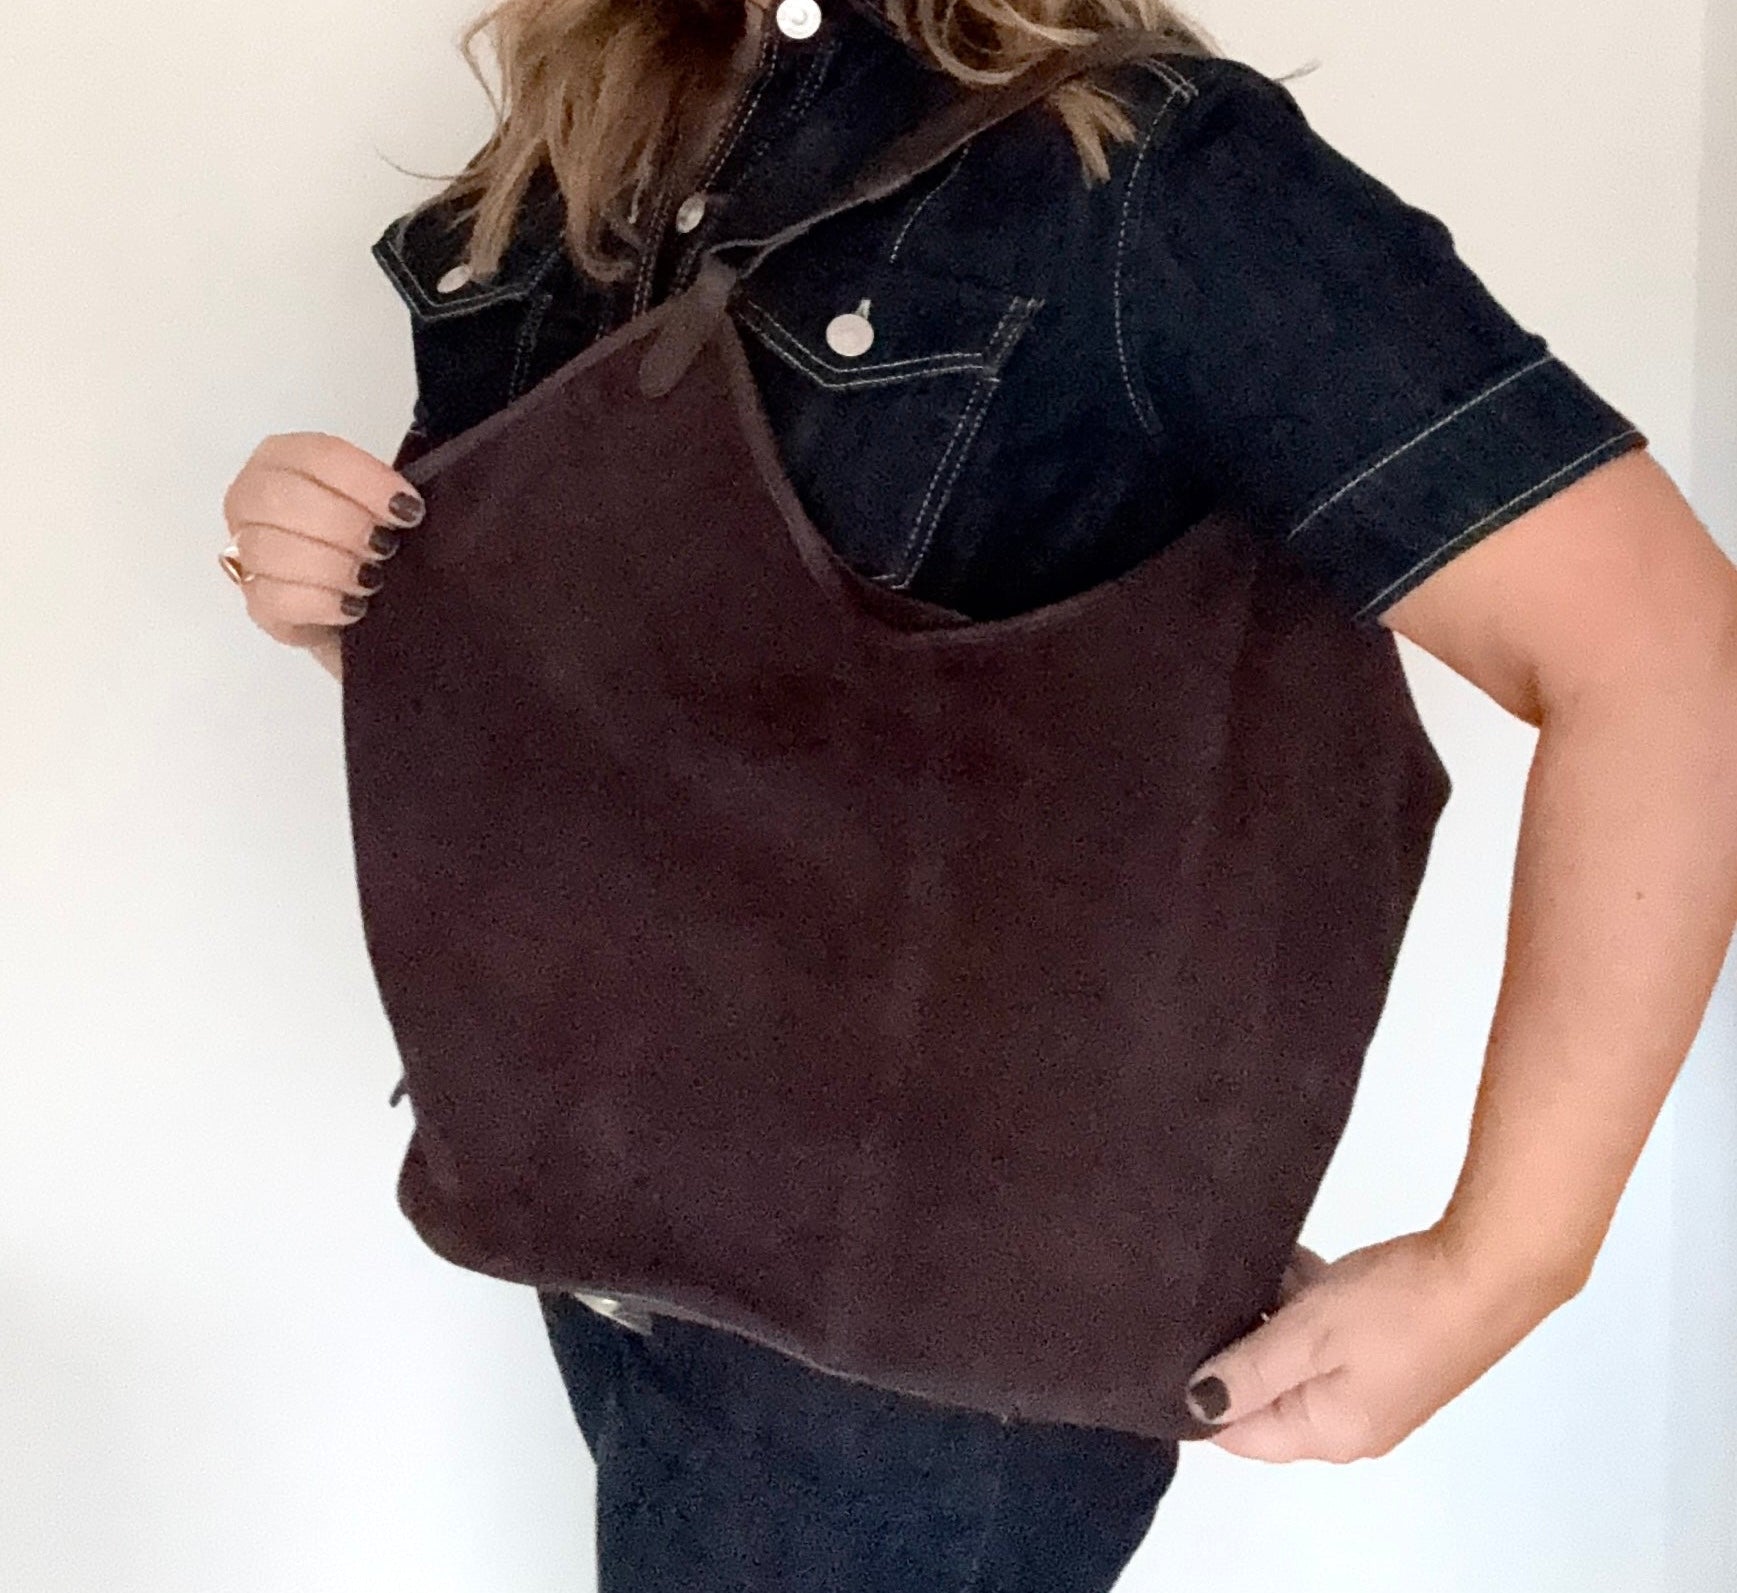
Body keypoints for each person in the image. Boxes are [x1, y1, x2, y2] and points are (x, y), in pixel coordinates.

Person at [217, 0, 1737, 1586]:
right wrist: (346, 613)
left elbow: (1663, 655)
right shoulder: (575, 174)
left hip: (920, 1355)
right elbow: (652, 716)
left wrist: (1502, 1265)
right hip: (606, 1237)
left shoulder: (1144, 178)